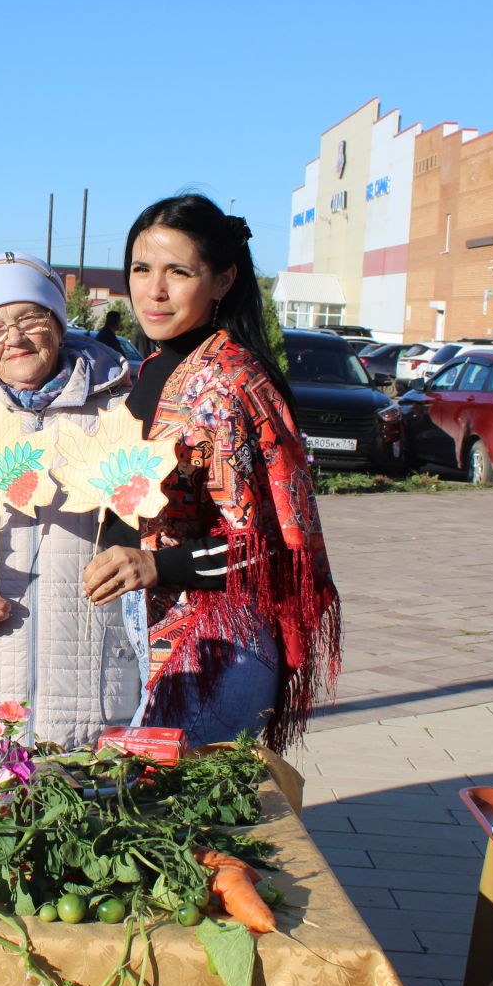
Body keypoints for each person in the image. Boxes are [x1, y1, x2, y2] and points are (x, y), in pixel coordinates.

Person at [80, 194, 339, 750]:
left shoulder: (227, 383)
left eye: (179, 271)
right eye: (141, 269)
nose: (154, 290)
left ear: (222, 280)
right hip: (165, 632)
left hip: (218, 642)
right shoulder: (155, 366)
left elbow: (270, 543)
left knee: (193, 825)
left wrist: (157, 562)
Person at [0, 253, 142, 745]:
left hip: (94, 686)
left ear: (57, 325)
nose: (12, 338)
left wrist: (143, 557)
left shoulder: (123, 411)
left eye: (30, 318)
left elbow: (163, 528)